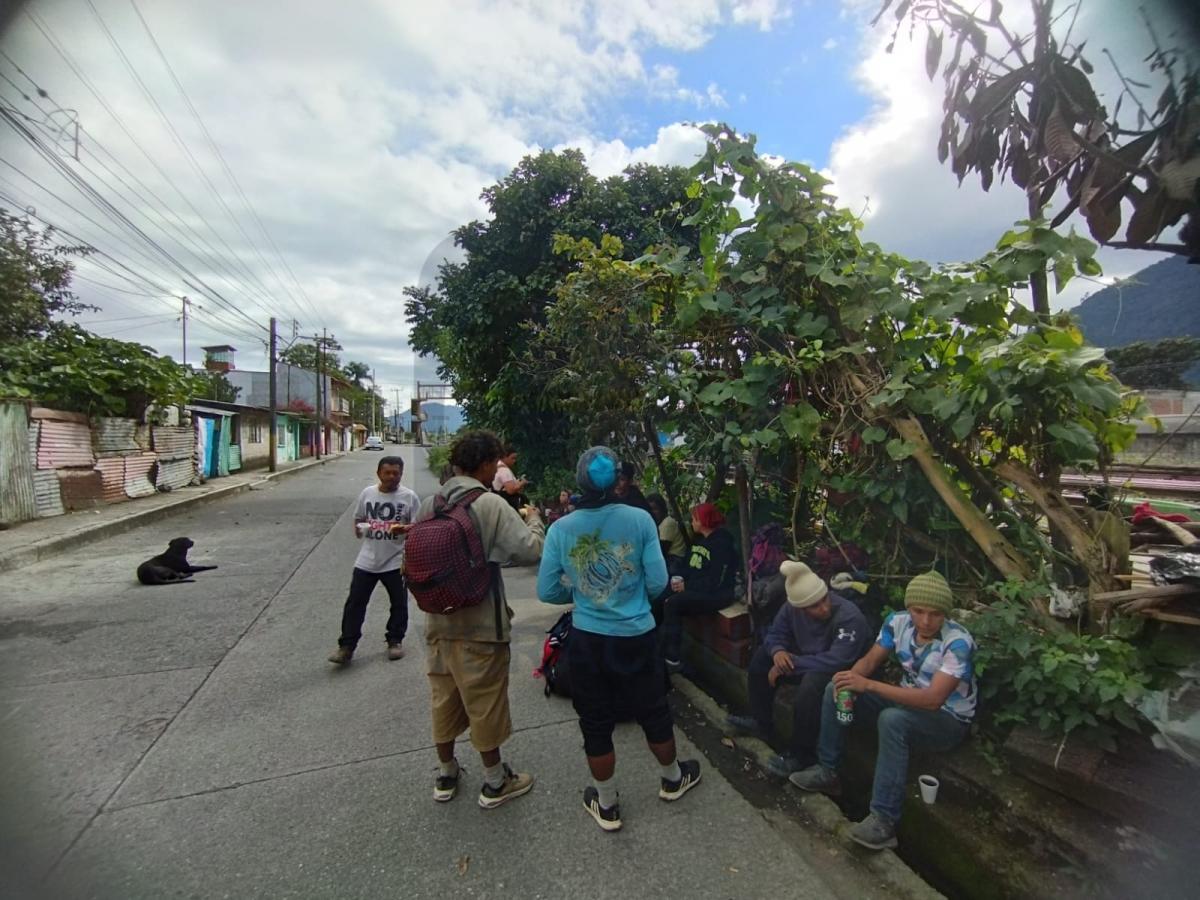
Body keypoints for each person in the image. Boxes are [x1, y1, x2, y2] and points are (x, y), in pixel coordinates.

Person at [537, 446, 702, 832]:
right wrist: (632, 598)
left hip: (588, 639)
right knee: (653, 711)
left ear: (579, 481)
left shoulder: (561, 529)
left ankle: (607, 803)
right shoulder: (641, 519)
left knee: (595, 722)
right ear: (617, 481)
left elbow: (547, 590)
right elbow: (660, 583)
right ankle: (673, 778)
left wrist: (582, 594)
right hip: (638, 635)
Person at [789, 571, 977, 850]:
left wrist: (868, 686)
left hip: (947, 719)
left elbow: (932, 700)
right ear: (908, 608)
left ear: (945, 614)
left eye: (936, 614)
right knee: (835, 688)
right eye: (918, 611)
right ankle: (827, 772)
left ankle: (883, 820)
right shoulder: (897, 623)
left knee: (892, 721)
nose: (926, 621)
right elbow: (868, 662)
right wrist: (850, 682)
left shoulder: (958, 643)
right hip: (907, 701)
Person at [416, 430, 546, 808]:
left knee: (444, 698)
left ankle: (446, 773)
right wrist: (535, 520)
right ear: (487, 464)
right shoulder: (488, 504)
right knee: (484, 702)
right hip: (480, 624)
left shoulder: (430, 503)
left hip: (438, 622)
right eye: (496, 463)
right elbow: (528, 550)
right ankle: (494, 782)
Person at [725, 561, 871, 777]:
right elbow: (775, 634)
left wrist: (792, 666)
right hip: (807, 659)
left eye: (824, 600)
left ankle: (801, 755)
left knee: (811, 685)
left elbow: (837, 660)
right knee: (762, 658)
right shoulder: (790, 609)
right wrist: (777, 652)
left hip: (840, 672)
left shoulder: (849, 617)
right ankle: (761, 722)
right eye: (814, 606)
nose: (824, 608)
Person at [327, 455, 420, 665]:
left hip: (396, 560)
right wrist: (359, 530)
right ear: (379, 473)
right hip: (367, 559)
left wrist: (404, 529)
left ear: (401, 474)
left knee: (399, 604)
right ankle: (346, 647)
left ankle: (395, 641)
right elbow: (359, 519)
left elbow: (418, 525)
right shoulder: (367, 493)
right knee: (355, 604)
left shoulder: (409, 497)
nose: (391, 477)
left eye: (396, 473)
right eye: (387, 472)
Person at [660, 502, 739, 671]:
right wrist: (678, 579)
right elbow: (689, 567)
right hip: (694, 587)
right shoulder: (699, 541)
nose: (692, 522)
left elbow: (716, 581)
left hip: (716, 594)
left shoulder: (722, 544)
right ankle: (656, 645)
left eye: (695, 519)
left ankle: (672, 657)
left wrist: (686, 586)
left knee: (674, 604)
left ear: (703, 521)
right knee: (661, 591)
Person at [646, 493, 687, 576]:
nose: (652, 512)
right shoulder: (657, 523)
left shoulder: (668, 523)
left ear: (663, 509)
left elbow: (661, 550)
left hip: (675, 559)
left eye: (655, 509)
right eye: (650, 509)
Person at [492, 444, 529, 512]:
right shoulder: (504, 471)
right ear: (504, 457)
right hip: (507, 505)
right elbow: (511, 490)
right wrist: (522, 483)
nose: (514, 461)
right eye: (512, 458)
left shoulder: (497, 468)